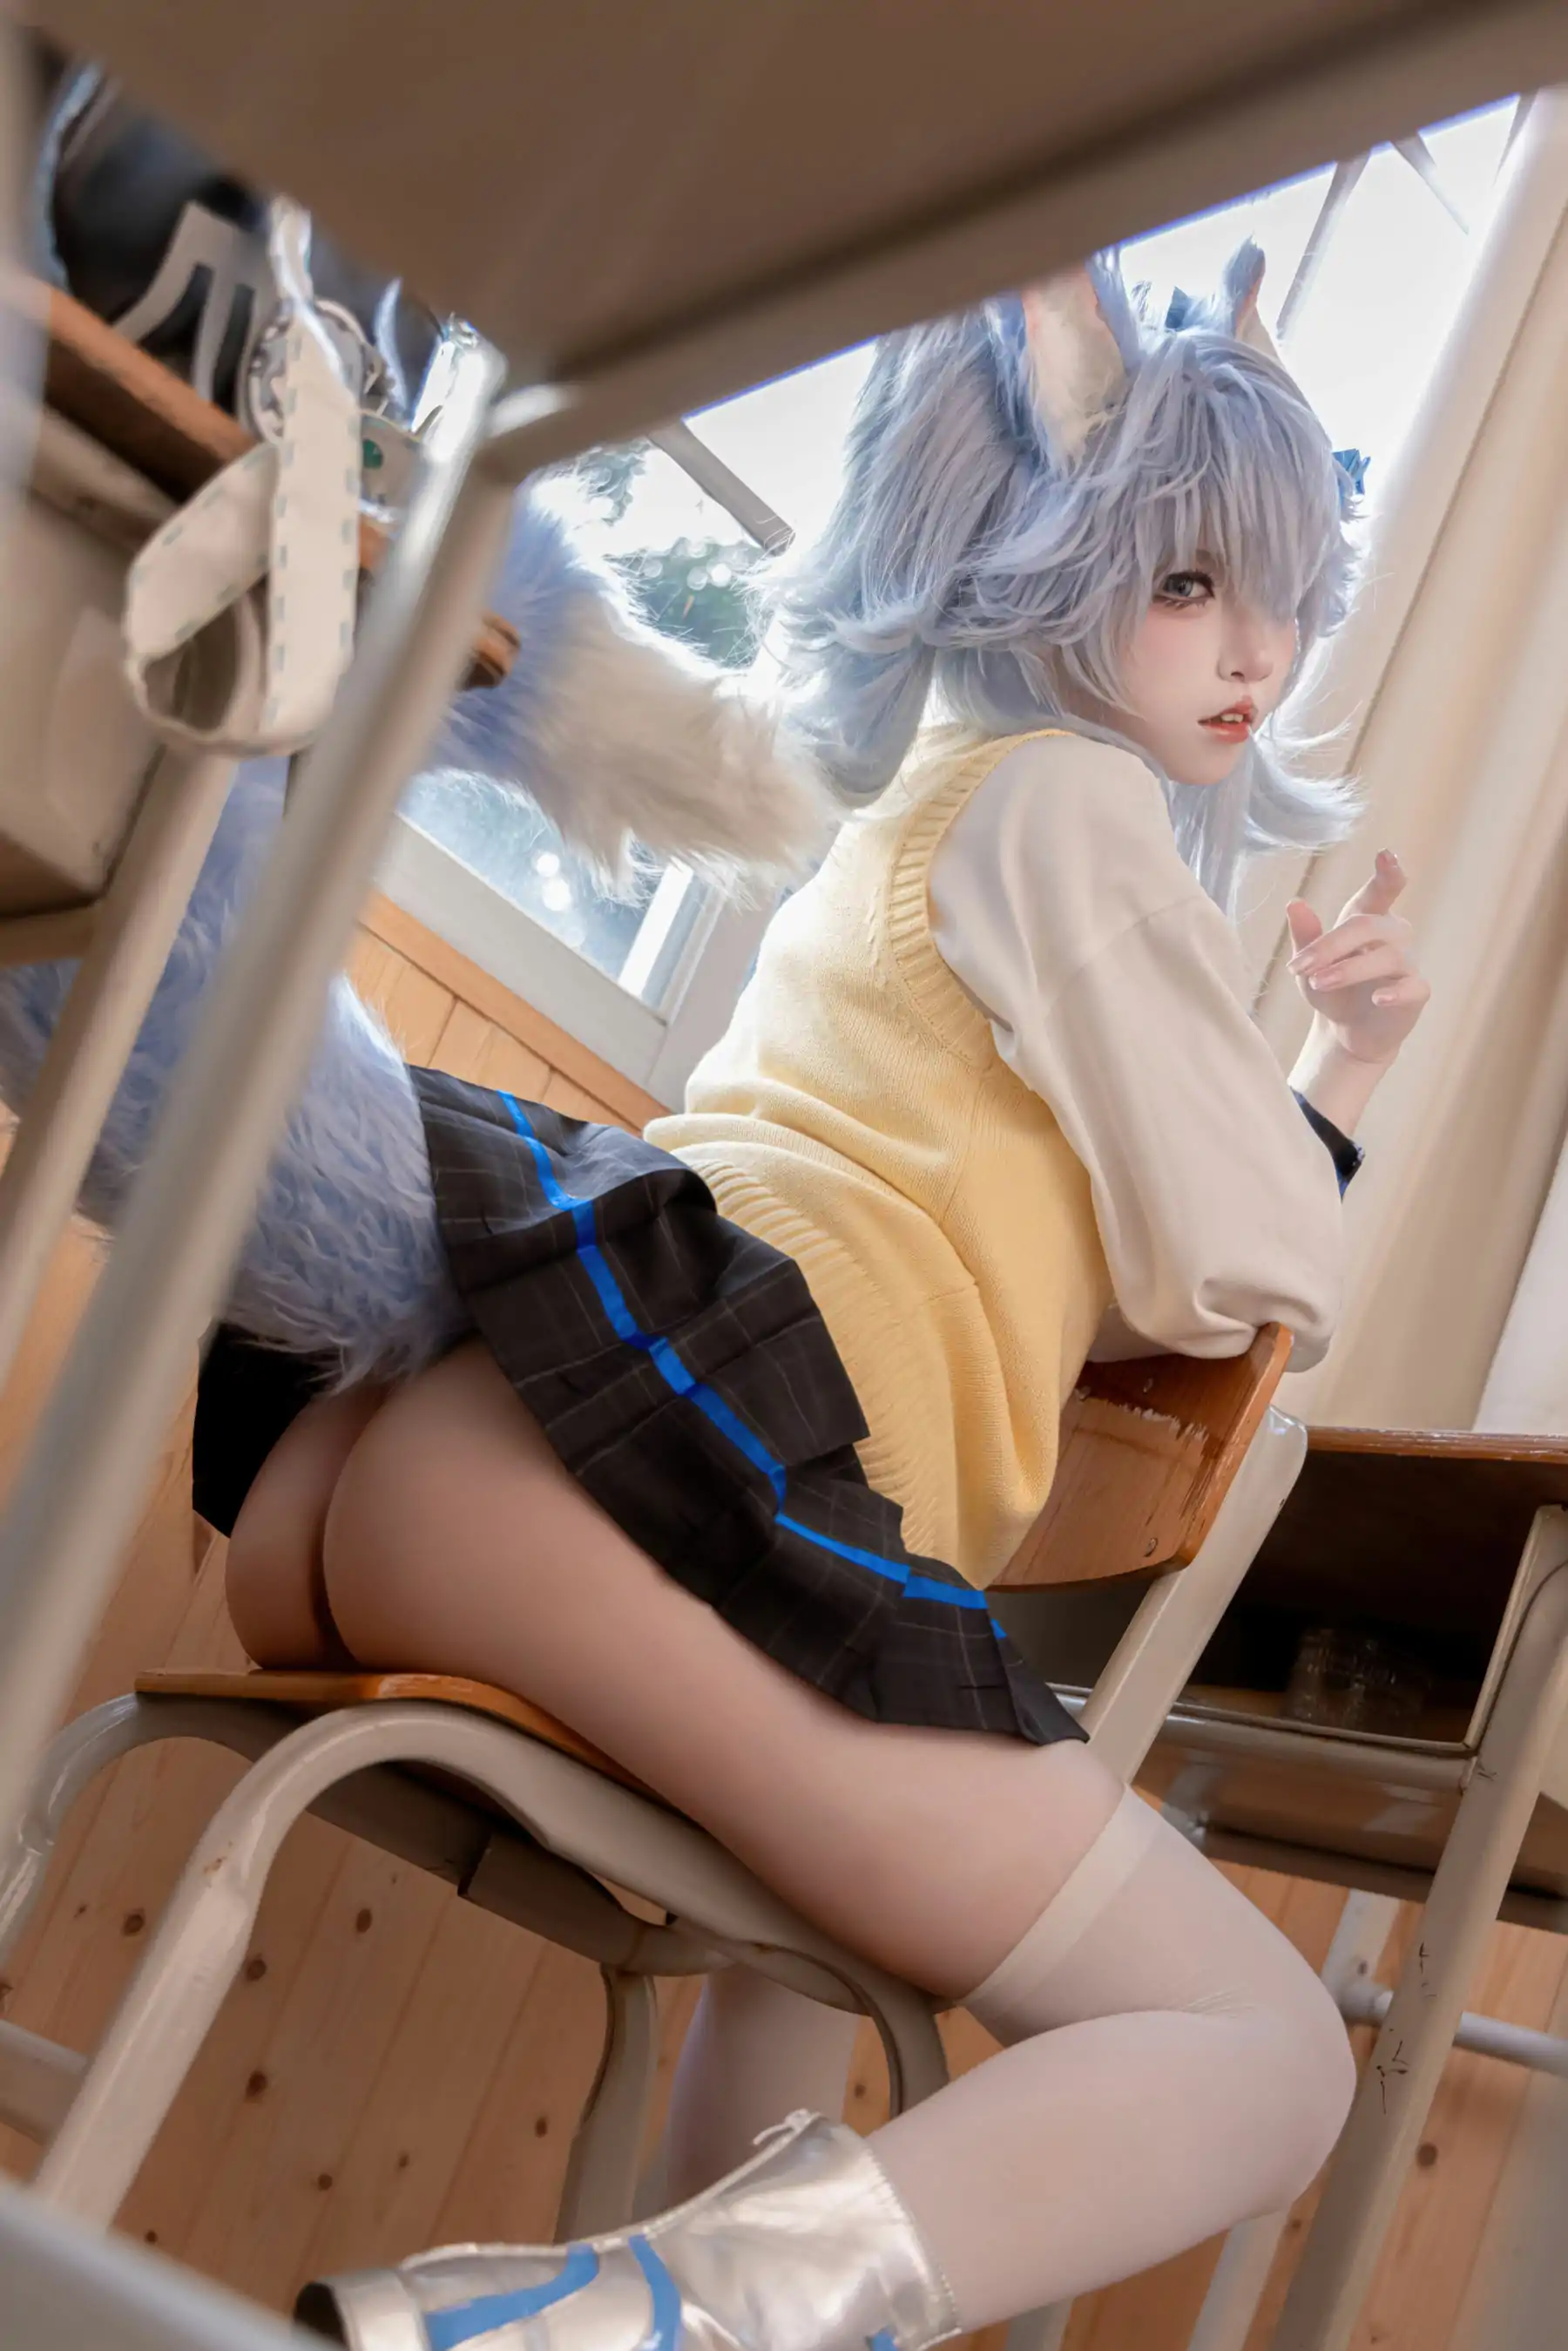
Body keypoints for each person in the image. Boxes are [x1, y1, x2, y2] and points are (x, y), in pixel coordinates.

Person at [0, 245, 1429, 2351]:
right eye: (1196, 582)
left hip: (448, 1455)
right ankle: (558, 2336)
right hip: (644, 1484)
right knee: (1269, 2046)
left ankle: (630, 2320)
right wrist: (1346, 1079)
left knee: (819, 1983)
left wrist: (1303, 1091)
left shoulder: (930, 814)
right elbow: (1257, 1261)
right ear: (1051, 540)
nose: (1258, 650)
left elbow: (1156, 1255)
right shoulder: (1074, 799)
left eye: (1287, 595)